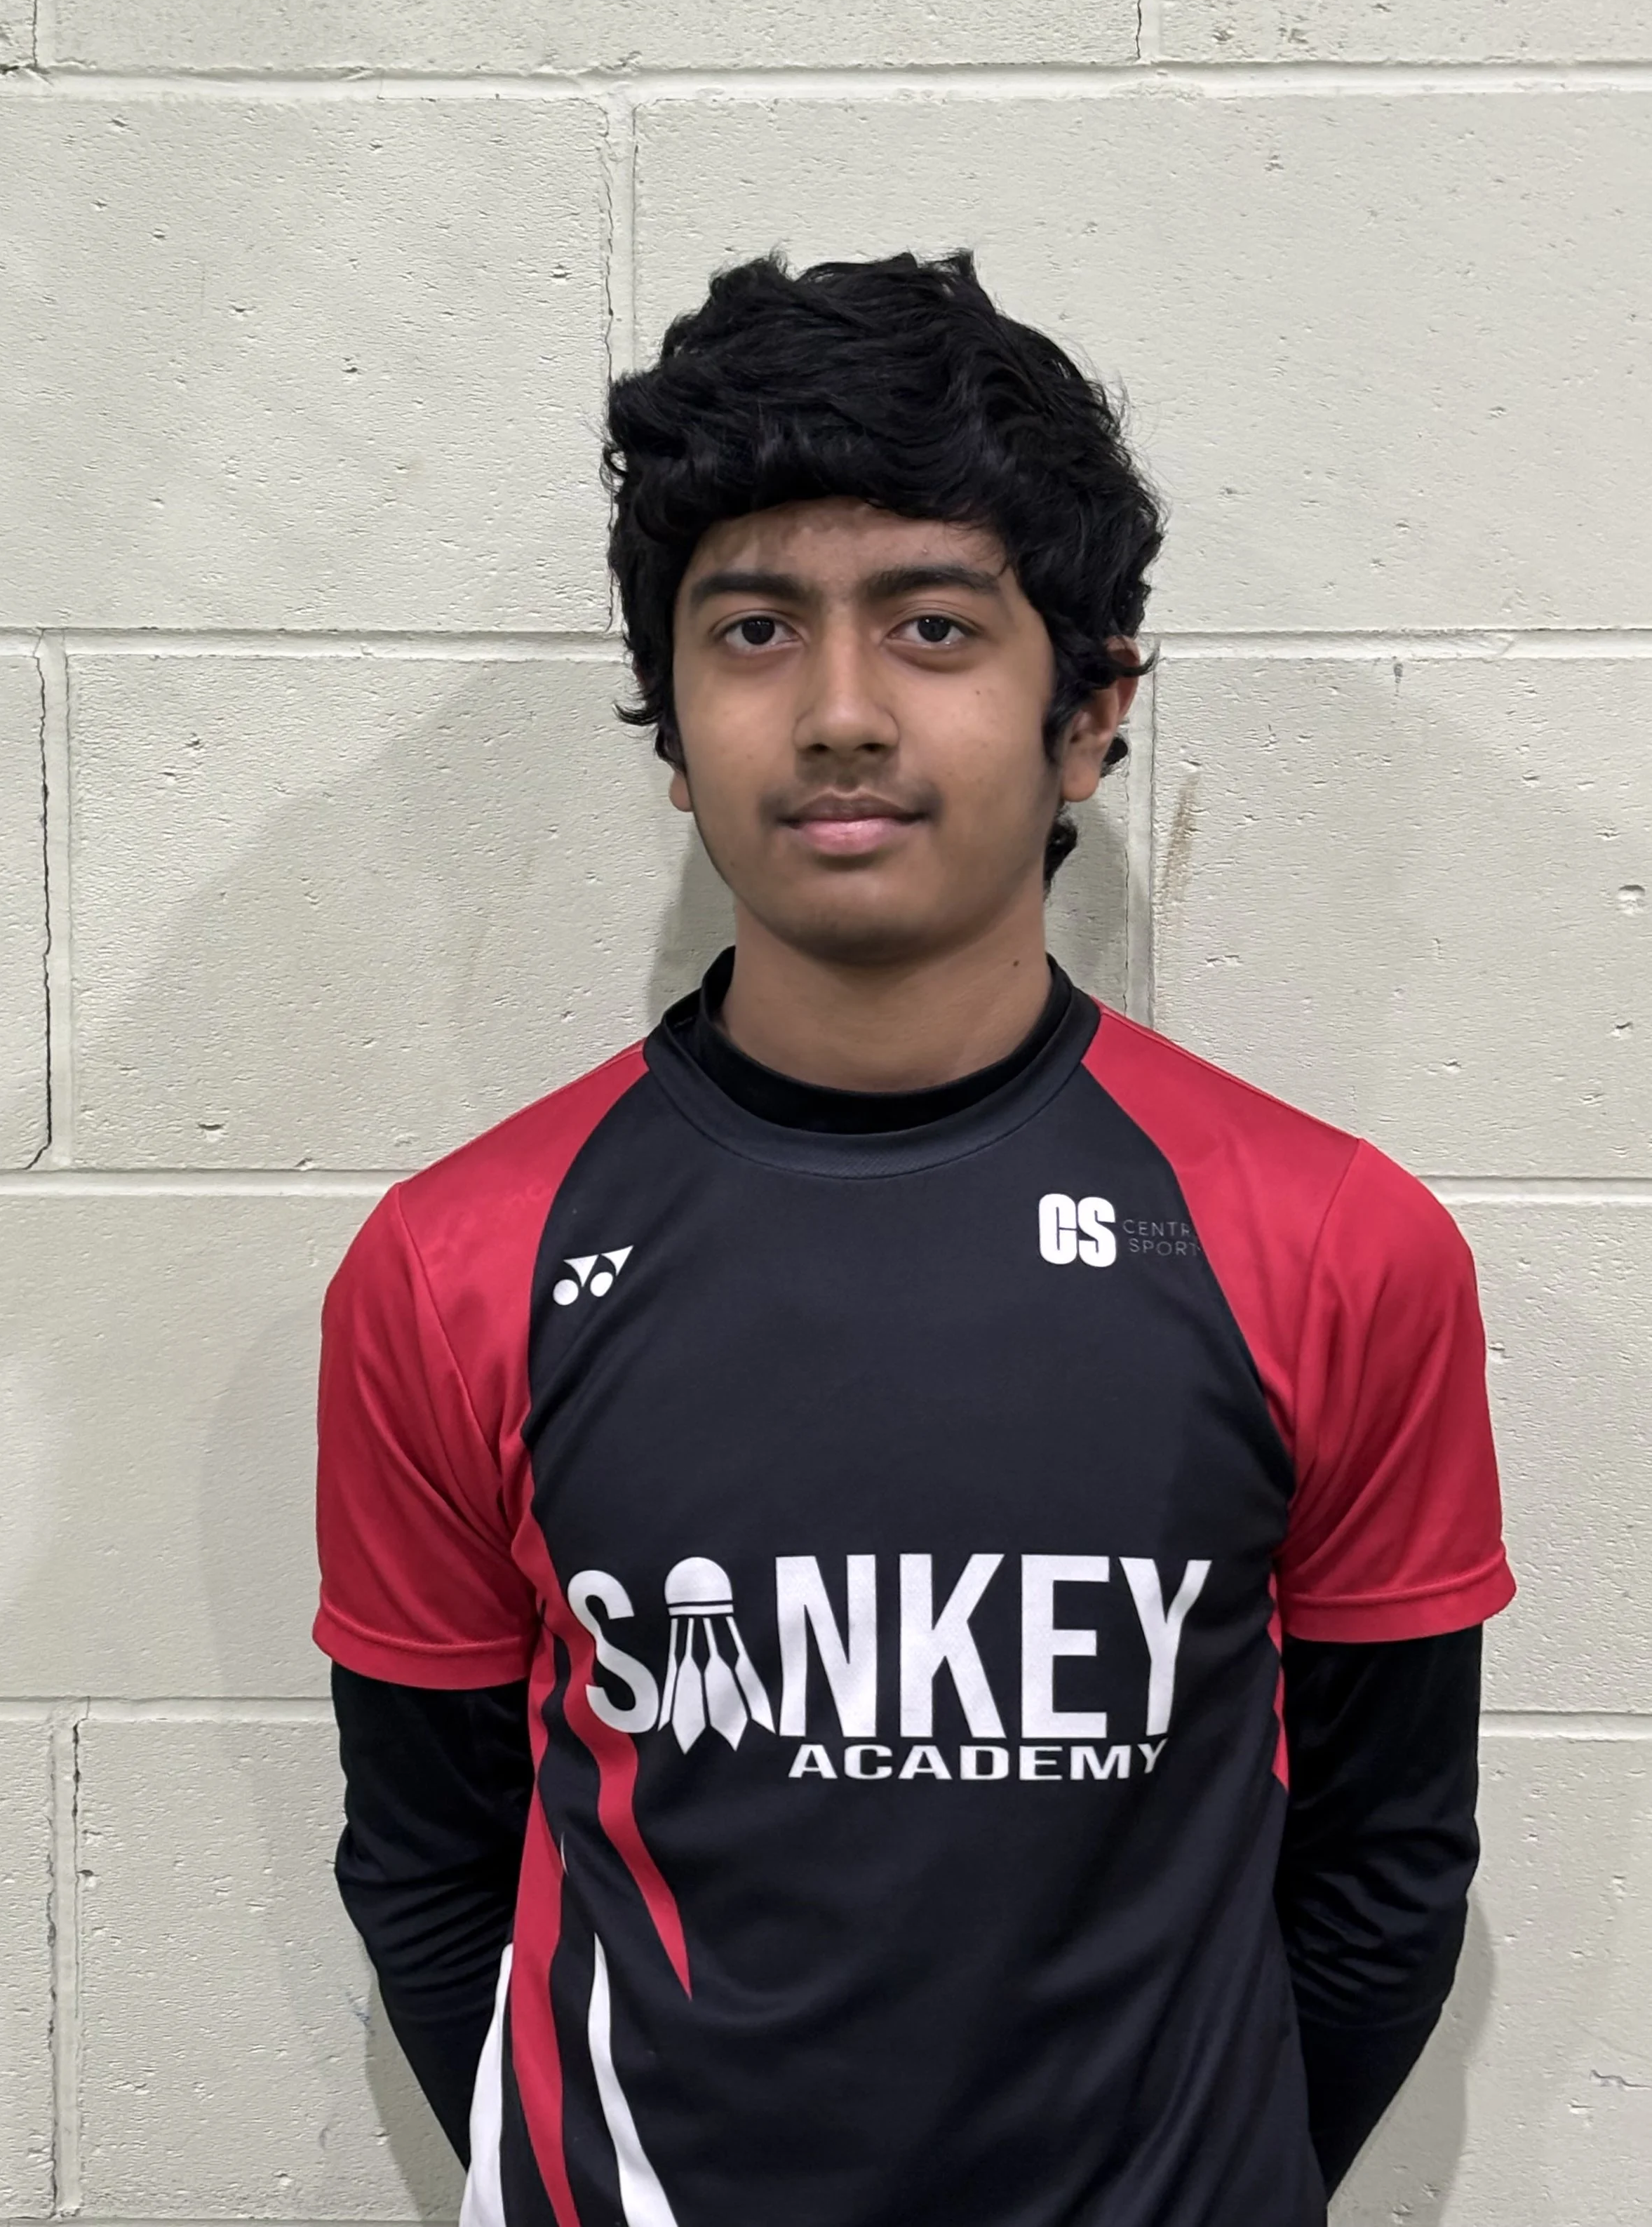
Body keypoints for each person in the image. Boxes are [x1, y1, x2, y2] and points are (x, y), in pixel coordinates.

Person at [313, 250, 1513, 2227]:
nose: (842, 710)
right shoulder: (460, 1261)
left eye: (935, 625)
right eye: (757, 628)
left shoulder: (1328, 1243)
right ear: (669, 715)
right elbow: (431, 1868)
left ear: (1087, 711)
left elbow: (1388, 1861)